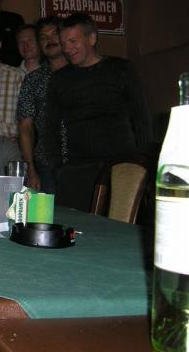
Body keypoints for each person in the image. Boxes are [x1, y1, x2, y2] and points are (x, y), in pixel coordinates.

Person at [44, 13, 152, 210]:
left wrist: (143, 163)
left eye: (73, 41)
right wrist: (58, 166)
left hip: (121, 165)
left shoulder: (121, 69)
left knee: (119, 223)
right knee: (72, 223)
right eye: (64, 43)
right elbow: (49, 127)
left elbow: (141, 117)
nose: (67, 49)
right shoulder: (59, 80)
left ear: (92, 38)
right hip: (78, 169)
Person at [16, 16, 68, 193]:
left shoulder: (81, 74)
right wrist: (31, 168)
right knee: (45, 210)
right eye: (43, 37)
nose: (49, 40)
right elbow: (25, 128)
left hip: (80, 162)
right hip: (45, 164)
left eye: (54, 34)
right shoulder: (32, 80)